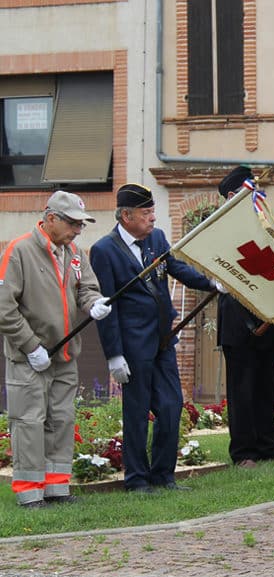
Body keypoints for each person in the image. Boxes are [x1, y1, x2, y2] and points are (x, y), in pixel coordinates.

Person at [90, 183, 221, 492]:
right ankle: (136, 479)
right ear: (126, 215)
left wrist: (213, 285)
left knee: (172, 405)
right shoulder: (104, 250)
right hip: (133, 345)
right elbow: (107, 305)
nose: (153, 218)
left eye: (152, 212)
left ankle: (163, 475)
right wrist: (114, 355)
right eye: (146, 213)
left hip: (164, 339)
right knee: (136, 412)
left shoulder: (157, 239)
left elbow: (175, 268)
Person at [0, 192, 111, 507]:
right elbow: (4, 308)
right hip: (29, 359)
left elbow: (86, 287)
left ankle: (56, 488)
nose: (78, 230)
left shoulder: (74, 253)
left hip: (65, 356)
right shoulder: (19, 251)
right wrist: (30, 345)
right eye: (73, 223)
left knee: (61, 421)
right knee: (28, 422)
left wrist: (93, 304)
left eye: (80, 224)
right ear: (50, 219)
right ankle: (29, 492)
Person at [216, 166, 274, 467]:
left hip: (267, 313)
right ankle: (244, 450)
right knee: (242, 388)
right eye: (250, 190)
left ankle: (268, 445)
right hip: (238, 318)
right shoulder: (220, 228)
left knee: (266, 386)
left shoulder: (263, 224)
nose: (257, 196)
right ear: (233, 195)